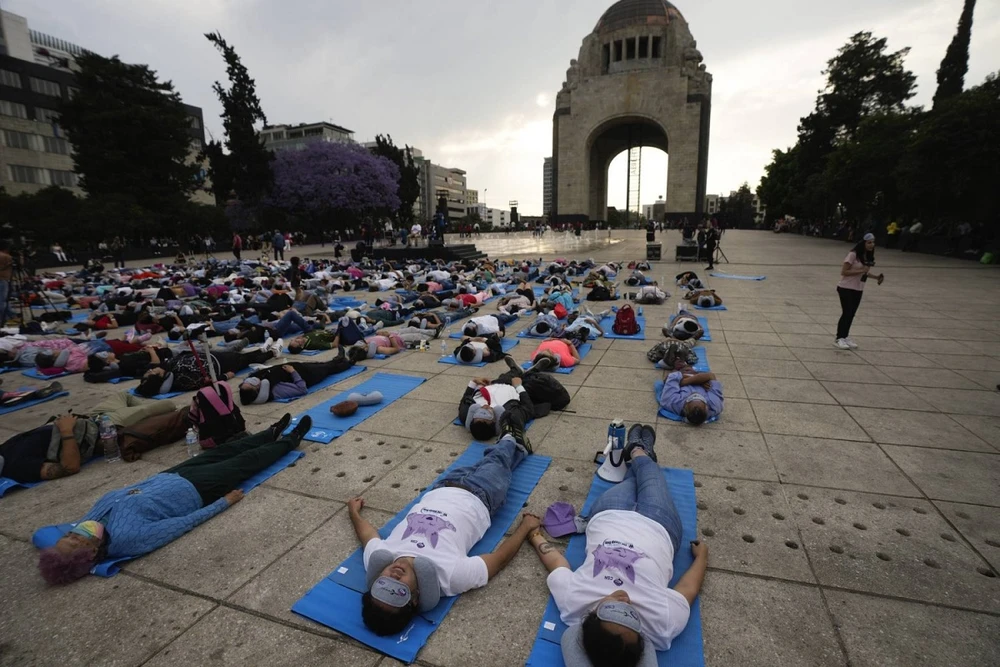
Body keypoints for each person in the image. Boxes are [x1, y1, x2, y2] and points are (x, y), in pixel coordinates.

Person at [36, 415, 312, 585]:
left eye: (69, 534)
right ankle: (290, 440)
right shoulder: (128, 539)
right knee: (246, 462)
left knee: (225, 450)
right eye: (73, 541)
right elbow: (181, 524)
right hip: (195, 490)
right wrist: (224, 502)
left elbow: (40, 534)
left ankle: (270, 433)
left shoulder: (91, 523)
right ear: (90, 554)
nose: (74, 532)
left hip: (167, 477)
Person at [529, 426, 708, 666]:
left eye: (612, 609)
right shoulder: (663, 625)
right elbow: (688, 588)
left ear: (591, 618)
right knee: (649, 474)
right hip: (659, 523)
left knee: (634, 477)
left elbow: (557, 564)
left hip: (608, 514)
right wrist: (701, 558)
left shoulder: (573, 604)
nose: (624, 600)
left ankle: (638, 453)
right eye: (631, 617)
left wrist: (534, 536)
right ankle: (638, 450)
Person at [348, 416, 541, 636]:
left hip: (442, 487)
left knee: (493, 461)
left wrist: (353, 512)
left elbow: (366, 535)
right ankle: (510, 434)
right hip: (483, 495)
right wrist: (525, 527)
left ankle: (517, 450)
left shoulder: (380, 556)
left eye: (382, 586)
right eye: (398, 591)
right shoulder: (449, 577)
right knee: (497, 459)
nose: (394, 577)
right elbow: (497, 561)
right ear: (415, 598)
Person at [458, 359, 570, 441]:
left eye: (479, 414)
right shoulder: (511, 416)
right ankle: (533, 371)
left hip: (496, 384)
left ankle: (516, 369)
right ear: (494, 422)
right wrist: (518, 387)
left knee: (509, 375)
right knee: (554, 393)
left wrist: (474, 382)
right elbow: (528, 409)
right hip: (517, 390)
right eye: (486, 416)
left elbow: (465, 399)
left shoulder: (466, 414)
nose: (484, 409)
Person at [835, 233, 883, 350]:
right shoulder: (853, 255)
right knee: (847, 312)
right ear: (863, 243)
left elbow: (864, 273)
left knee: (851, 314)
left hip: (858, 288)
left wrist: (876, 277)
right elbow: (844, 272)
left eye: (873, 242)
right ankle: (839, 338)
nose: (872, 245)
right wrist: (861, 270)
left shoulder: (866, 256)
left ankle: (845, 336)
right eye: (869, 242)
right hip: (846, 288)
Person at [237, 357, 354, 404]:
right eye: (251, 384)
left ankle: (339, 358)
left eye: (246, 382)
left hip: (301, 367)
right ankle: (349, 363)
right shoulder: (276, 390)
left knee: (323, 364)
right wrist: (293, 371)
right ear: (257, 390)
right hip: (308, 375)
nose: (249, 381)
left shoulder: (259, 380)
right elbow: (302, 389)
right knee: (329, 369)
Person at [657, 367, 723, 425]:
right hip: (695, 377)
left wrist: (688, 380)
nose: (695, 393)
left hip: (685, 376)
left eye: (692, 397)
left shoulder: (671, 402)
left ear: (685, 408)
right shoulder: (715, 405)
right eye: (700, 398)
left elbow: (671, 377)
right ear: (707, 407)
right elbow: (711, 376)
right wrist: (699, 380)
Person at [0, 240, 12, 325]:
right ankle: (4, 317)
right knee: (3, 300)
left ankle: (10, 315)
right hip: (3, 279)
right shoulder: (6, 257)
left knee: (3, 300)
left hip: (3, 279)